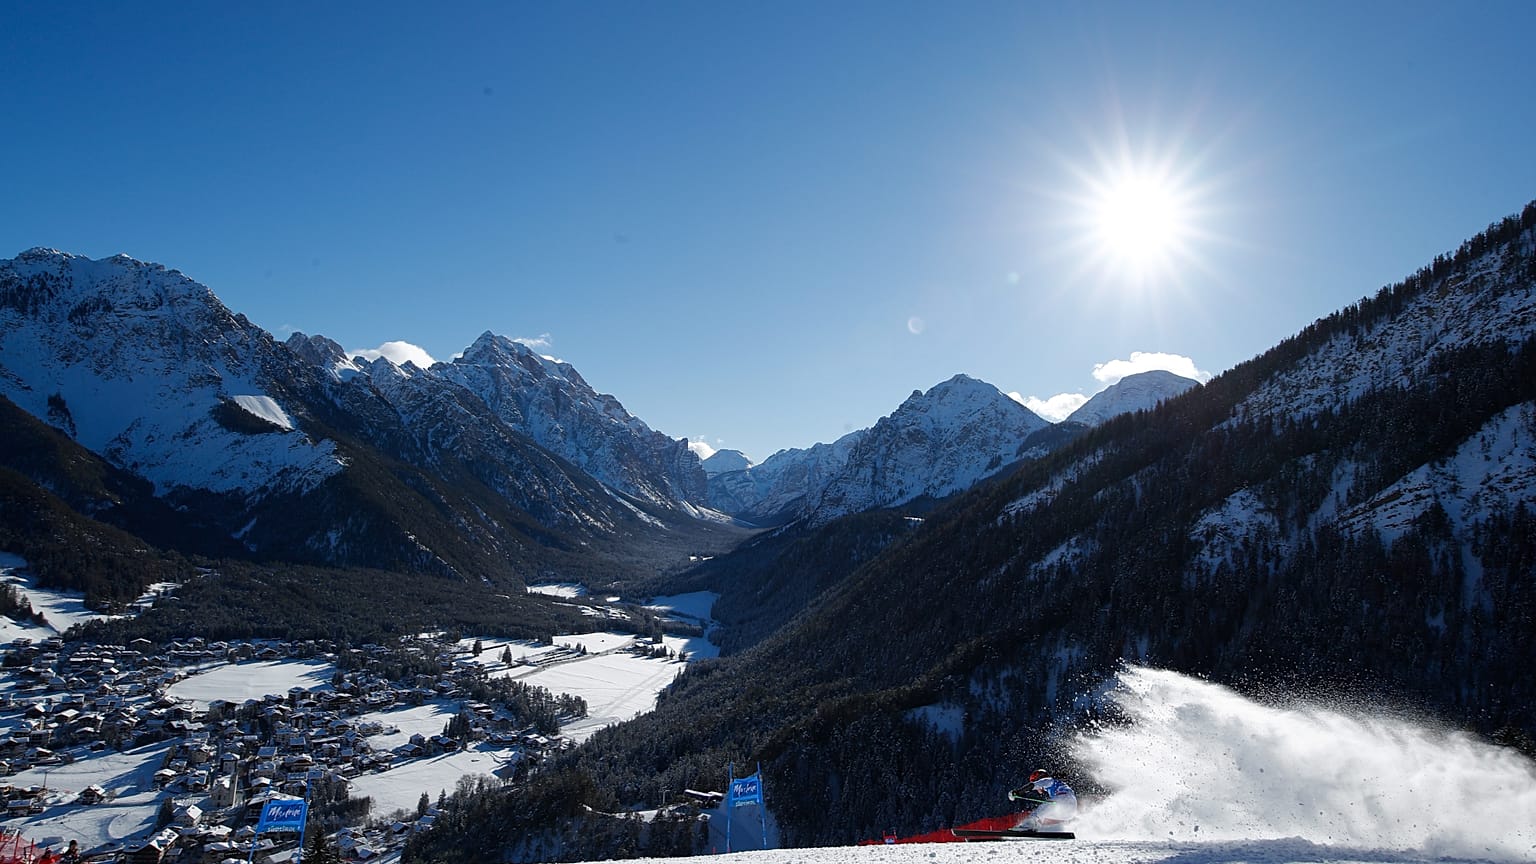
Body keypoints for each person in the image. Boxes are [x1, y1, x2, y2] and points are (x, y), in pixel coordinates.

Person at [1008, 769, 1077, 830]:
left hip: (1063, 798)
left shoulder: (1047, 780)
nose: (1037, 789)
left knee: (1039, 811)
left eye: (1034, 780)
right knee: (1044, 813)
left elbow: (1032, 786)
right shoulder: (1054, 784)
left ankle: (1027, 827)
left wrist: (1017, 792)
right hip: (1071, 808)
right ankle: (1072, 823)